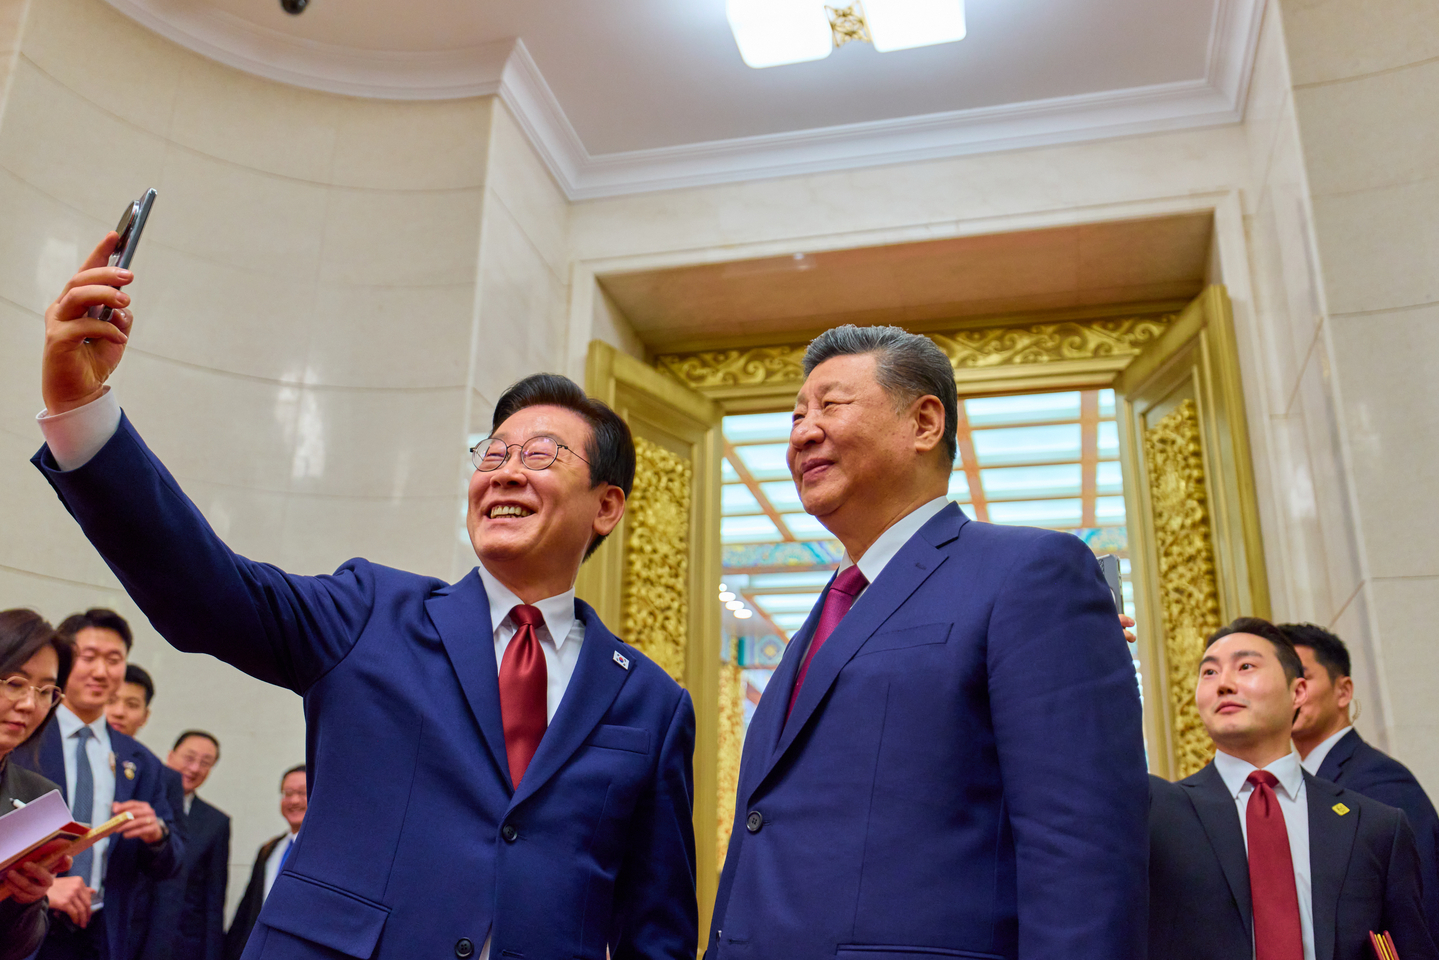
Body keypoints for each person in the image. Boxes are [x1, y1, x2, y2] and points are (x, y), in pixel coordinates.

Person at [31, 233, 698, 960]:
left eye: (540, 456)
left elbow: (653, 928)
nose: (505, 473)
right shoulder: (369, 612)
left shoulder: (651, 706)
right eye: (493, 454)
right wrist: (83, 412)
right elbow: (207, 589)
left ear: (607, 506)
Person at [709, 325, 1148, 959]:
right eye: (797, 415)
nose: (803, 432)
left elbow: (1082, 847)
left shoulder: (1029, 573)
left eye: (831, 406)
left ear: (924, 423)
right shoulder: (826, 613)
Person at [1148, 617, 1437, 960]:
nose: (1223, 683)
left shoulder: (1374, 826)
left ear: (1297, 692)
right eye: (1209, 673)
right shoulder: (1157, 814)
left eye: (1245, 666)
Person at [14, 609, 184, 960]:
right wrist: (45, 892)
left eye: (114, 659)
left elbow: (172, 862)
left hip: (101, 934)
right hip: (22, 927)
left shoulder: (140, 761)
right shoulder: (21, 736)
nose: (101, 672)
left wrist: (158, 835)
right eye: (88, 657)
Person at [1285, 621, 1439, 945]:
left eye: (1302, 678)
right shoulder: (1290, 787)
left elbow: (1421, 913)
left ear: (1343, 691)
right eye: (1282, 680)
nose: (1291, 693)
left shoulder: (1380, 780)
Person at [0, 610, 75, 960]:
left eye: (46, 691)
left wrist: (26, 901)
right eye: (15, 683)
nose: (29, 704)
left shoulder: (38, 798)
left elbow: (20, 947)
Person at [142, 732, 229, 960]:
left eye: (205, 763)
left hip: (180, 945)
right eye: (189, 757)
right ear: (170, 756)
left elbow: (213, 898)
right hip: (133, 931)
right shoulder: (141, 804)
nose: (194, 768)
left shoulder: (216, 822)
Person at [225, 766, 306, 960]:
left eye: (302, 793)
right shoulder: (269, 850)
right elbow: (247, 911)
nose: (294, 800)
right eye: (288, 793)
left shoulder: (328, 851)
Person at [104, 665, 153, 738]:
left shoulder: (142, 750)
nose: (119, 712)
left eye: (132, 705)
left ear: (145, 716)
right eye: (110, 701)